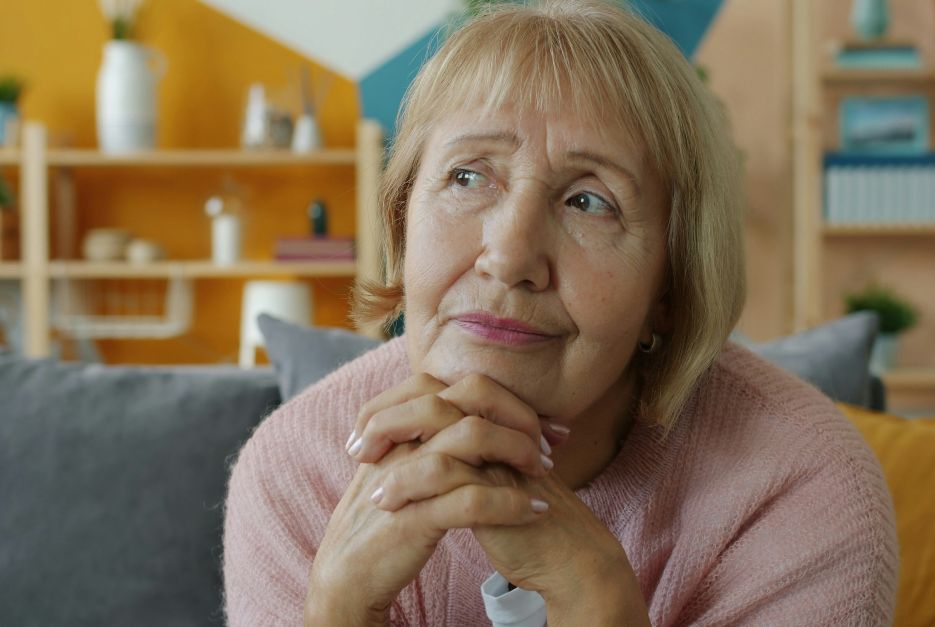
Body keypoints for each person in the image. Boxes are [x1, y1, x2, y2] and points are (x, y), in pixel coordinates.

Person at [222, 1, 899, 625]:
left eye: (589, 201)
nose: (509, 256)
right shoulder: (297, 473)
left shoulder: (799, 487)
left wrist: (600, 601)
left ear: (672, 284)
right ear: (401, 225)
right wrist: (337, 612)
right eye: (467, 176)